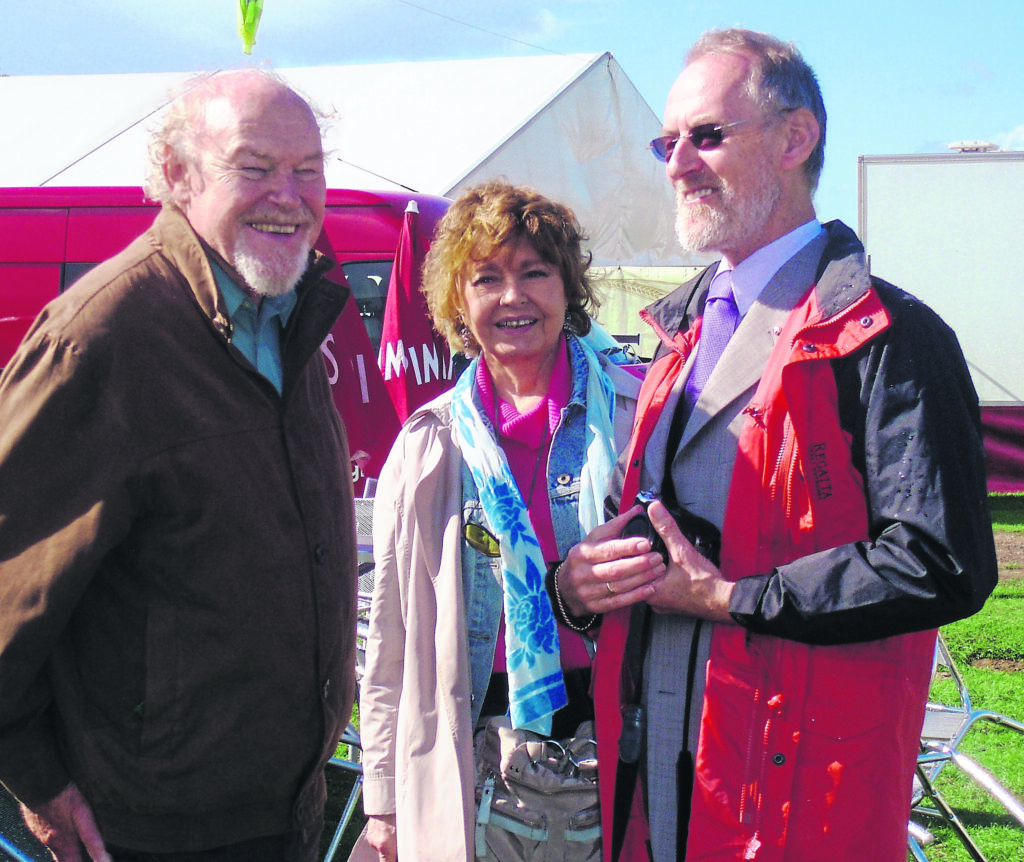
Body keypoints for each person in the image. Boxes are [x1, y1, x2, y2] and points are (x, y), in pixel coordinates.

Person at [558, 27, 999, 862]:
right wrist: (579, 584)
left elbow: (942, 561)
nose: (677, 161)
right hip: (653, 795)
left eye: (707, 135)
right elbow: (657, 545)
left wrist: (732, 599)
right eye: (668, 140)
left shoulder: (892, 337)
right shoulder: (675, 336)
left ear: (797, 139)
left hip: (797, 811)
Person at [0, 68, 358, 861]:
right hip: (150, 833)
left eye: (308, 170)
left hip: (284, 812)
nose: (289, 196)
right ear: (176, 176)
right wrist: (37, 780)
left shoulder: (286, 312)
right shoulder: (100, 340)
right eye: (254, 167)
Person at [356, 182, 645, 861]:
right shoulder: (430, 445)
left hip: (620, 756)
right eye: (487, 278)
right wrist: (384, 801)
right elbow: (390, 642)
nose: (513, 296)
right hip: (475, 766)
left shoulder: (637, 418)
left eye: (534, 273)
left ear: (568, 288)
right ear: (458, 302)